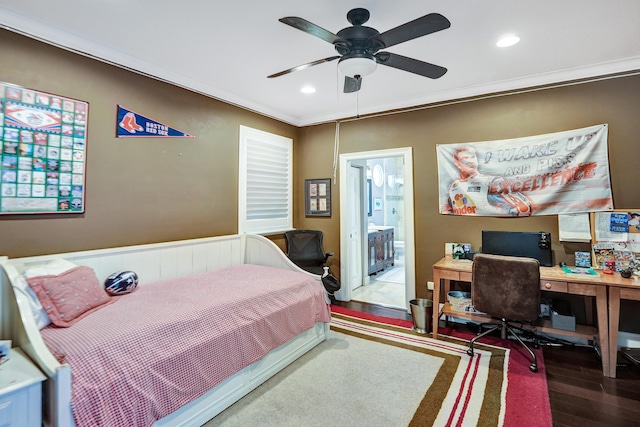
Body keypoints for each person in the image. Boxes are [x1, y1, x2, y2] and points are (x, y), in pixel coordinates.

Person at [444, 146, 532, 216]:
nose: (471, 161)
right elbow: (451, 210)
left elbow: (523, 208)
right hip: (467, 227)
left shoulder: (492, 182)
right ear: (457, 163)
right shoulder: (454, 186)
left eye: (473, 157)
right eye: (465, 158)